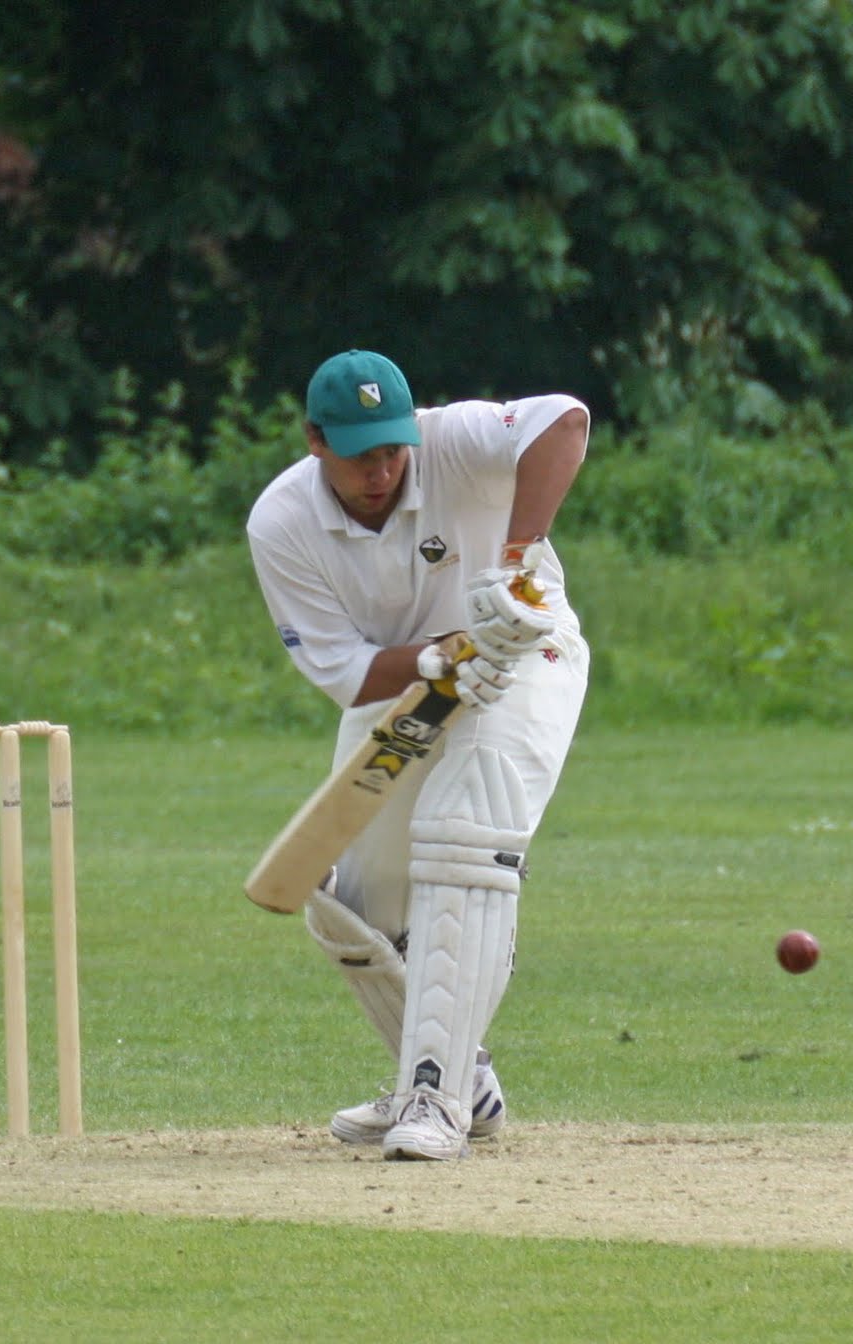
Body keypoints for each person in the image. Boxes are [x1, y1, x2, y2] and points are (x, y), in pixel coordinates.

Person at [246, 349, 590, 1161]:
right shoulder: (281, 522)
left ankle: (434, 1099)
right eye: (360, 451)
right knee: (352, 907)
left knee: (462, 835)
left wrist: (514, 561)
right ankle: (459, 1078)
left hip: (523, 663)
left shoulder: (452, 440)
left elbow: (565, 420)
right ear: (315, 441)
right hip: (410, 686)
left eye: (393, 447)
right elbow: (350, 671)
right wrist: (444, 653)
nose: (382, 468)